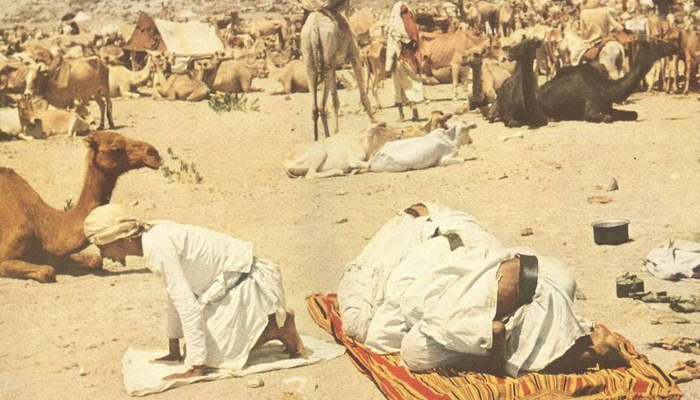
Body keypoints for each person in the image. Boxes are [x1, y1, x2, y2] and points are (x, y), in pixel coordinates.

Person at [338, 202, 630, 376]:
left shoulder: (400, 252)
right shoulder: (441, 230)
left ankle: (496, 353)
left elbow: (377, 333)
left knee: (396, 341)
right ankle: (532, 339)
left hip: (466, 263)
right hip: (501, 261)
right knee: (531, 302)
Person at [83, 205, 304, 380]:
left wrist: (196, 366)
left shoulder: (158, 247)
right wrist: (174, 347)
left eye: (102, 247)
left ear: (118, 240)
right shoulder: (151, 238)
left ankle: (276, 328)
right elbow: (175, 293)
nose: (103, 255)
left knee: (213, 358)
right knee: (197, 348)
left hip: (246, 280)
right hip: (224, 287)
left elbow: (186, 304)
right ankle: (263, 327)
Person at [386, 2, 425, 122]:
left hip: (398, 60)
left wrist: (388, 66)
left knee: (399, 86)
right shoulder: (411, 26)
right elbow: (415, 44)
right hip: (409, 61)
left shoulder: (394, 27)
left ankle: (402, 115)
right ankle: (414, 113)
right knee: (410, 85)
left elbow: (392, 47)